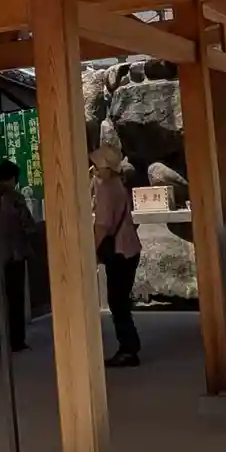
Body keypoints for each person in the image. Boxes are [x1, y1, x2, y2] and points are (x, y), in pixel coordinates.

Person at [91, 144, 142, 368]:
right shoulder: (118, 184)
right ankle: (130, 346)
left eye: (97, 165)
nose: (94, 169)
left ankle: (128, 349)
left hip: (119, 250)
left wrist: (92, 248)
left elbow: (103, 224)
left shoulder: (106, 188)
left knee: (117, 302)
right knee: (121, 301)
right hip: (130, 248)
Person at [0, 158, 36, 352]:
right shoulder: (16, 199)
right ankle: (16, 341)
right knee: (15, 299)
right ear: (13, 178)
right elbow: (28, 225)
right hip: (14, 254)